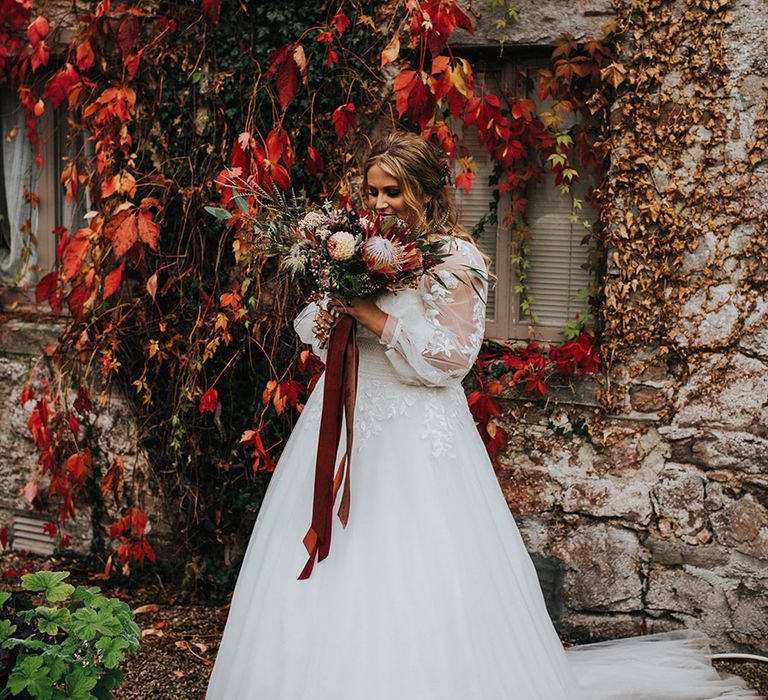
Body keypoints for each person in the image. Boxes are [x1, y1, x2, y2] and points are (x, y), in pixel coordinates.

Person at [205, 131, 761, 699]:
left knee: (417, 569)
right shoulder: (361, 245)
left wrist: (373, 319)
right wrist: (332, 324)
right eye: (371, 192)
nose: (378, 205)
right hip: (348, 416)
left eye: (392, 191)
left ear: (423, 189)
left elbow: (452, 357)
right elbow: (331, 331)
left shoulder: (455, 258)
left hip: (415, 435)